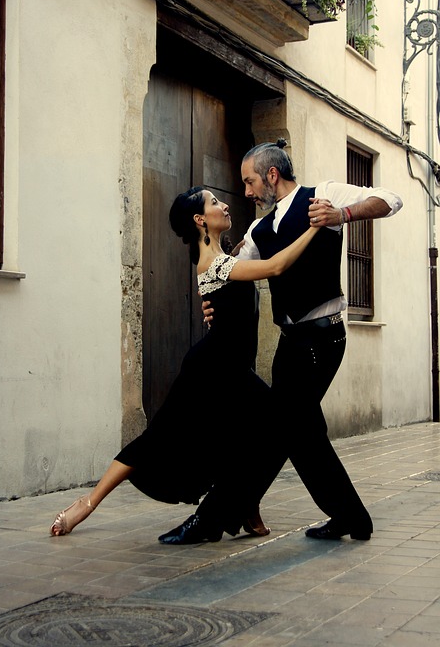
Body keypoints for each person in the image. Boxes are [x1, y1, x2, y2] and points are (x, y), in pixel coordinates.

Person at [50, 185, 319, 542]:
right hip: (211, 368)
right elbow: (276, 265)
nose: (225, 205)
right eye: (214, 203)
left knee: (246, 436)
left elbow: (236, 288)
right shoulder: (216, 263)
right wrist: (316, 226)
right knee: (157, 439)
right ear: (199, 220)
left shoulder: (227, 258)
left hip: (232, 369)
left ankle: (246, 508)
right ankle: (85, 504)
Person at [167, 139, 403, 544]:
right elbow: (231, 269)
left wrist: (341, 214)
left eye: (249, 182)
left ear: (271, 175)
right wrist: (213, 306)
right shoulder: (260, 229)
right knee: (301, 434)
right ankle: (350, 517)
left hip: (324, 340)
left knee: (280, 430)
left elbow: (391, 199)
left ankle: (212, 518)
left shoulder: (322, 196)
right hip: (289, 345)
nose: (245, 192)